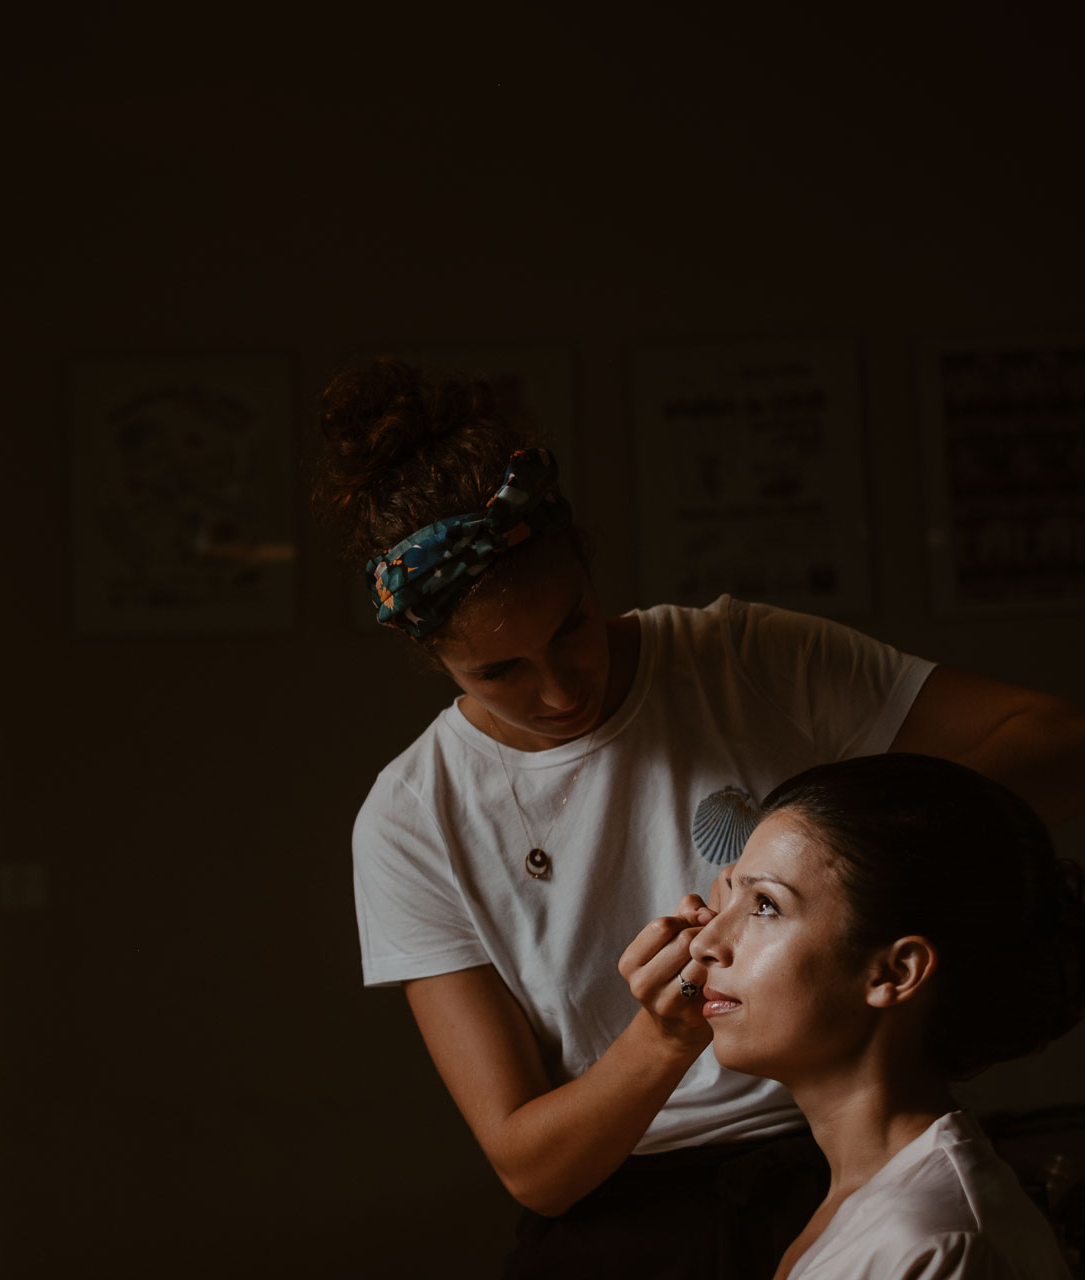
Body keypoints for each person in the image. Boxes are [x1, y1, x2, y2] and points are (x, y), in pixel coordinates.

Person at [317, 359, 1085, 1277]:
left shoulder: (739, 655)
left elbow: (1056, 740)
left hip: (838, 1148)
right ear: (435, 659)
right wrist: (669, 1030)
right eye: (501, 672)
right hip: (632, 1211)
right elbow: (534, 1171)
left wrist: (846, 855)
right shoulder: (412, 821)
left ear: (590, 574)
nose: (559, 689)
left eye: (571, 628)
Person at [686, 753, 1084, 1279]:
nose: (707, 941)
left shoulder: (935, 1243)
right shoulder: (868, 1202)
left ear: (894, 973)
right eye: (730, 894)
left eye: (765, 905)